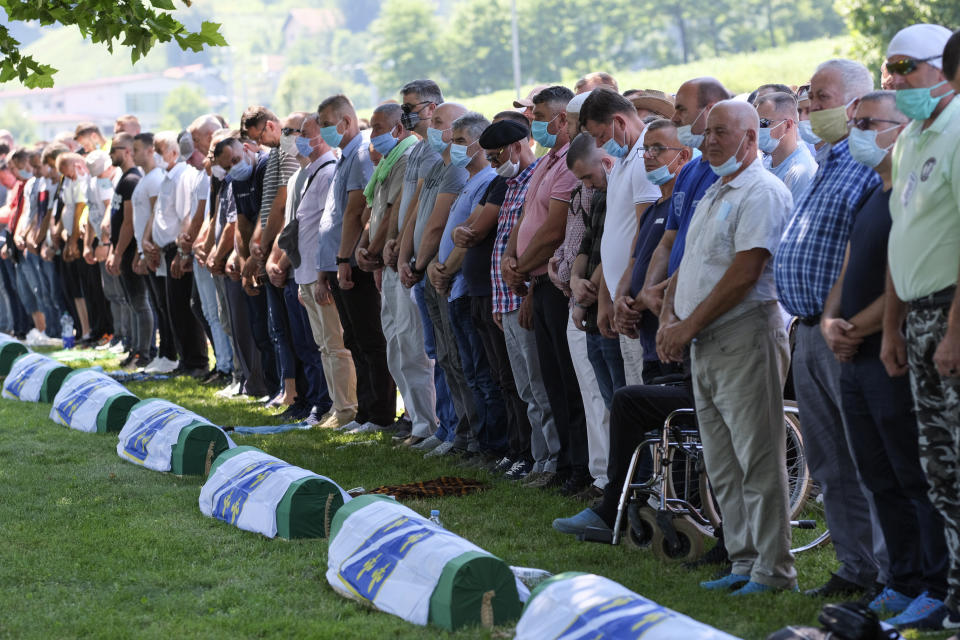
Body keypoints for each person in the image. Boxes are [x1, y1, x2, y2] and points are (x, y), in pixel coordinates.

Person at [821, 88, 949, 630]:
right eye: (853, 122)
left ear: (902, 128)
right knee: (877, 474)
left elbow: (906, 277)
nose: (856, 132)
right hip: (852, 356)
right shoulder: (873, 193)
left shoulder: (913, 197)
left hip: (888, 354)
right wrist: (831, 321)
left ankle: (934, 583)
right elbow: (849, 267)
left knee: (912, 474)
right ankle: (899, 579)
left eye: (867, 122)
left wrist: (862, 327)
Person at [659, 99, 795, 595]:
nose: (710, 140)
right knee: (722, 461)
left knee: (757, 460)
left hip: (744, 334)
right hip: (703, 337)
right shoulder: (716, 189)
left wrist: (686, 323)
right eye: (707, 131)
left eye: (722, 132)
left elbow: (746, 271)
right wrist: (669, 316)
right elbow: (692, 261)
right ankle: (742, 562)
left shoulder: (762, 191)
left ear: (751, 138)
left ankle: (774, 571)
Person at [774, 58, 884, 598]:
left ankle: (890, 571)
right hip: (809, 330)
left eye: (821, 97)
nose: (810, 107)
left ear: (857, 104)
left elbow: (860, 252)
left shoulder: (867, 165)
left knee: (867, 458)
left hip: (847, 333)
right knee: (828, 459)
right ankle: (855, 567)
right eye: (808, 97)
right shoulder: (828, 162)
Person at [882, 24, 960, 631]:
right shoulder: (912, 136)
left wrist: (954, 330)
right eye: (890, 70)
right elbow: (899, 239)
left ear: (942, 66)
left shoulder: (959, 129)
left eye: (907, 67)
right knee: (940, 470)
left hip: (951, 314)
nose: (896, 81)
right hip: (916, 319)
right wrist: (891, 328)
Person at [505, 85, 589, 495]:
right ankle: (565, 463)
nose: (533, 123)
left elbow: (555, 228)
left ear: (560, 120)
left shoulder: (570, 163)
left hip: (556, 285)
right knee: (552, 379)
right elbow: (525, 216)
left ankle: (579, 467)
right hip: (538, 282)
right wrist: (510, 255)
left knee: (568, 382)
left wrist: (520, 264)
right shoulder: (547, 161)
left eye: (539, 115)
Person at [428, 111, 509, 461]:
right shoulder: (471, 181)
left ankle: (492, 445)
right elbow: (456, 231)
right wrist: (436, 265)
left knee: (484, 373)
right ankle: (475, 438)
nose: (455, 147)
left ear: (480, 142)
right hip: (456, 286)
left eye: (462, 141)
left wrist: (445, 269)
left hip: (466, 286)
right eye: (455, 140)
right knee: (468, 370)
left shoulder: (488, 180)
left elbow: (472, 234)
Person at [478, 115, 555, 480]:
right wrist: (498, 303)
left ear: (517, 146)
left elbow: (539, 242)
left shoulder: (534, 180)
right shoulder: (509, 184)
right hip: (505, 304)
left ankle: (551, 461)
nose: (494, 165)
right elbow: (505, 247)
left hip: (524, 299)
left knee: (540, 389)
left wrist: (527, 297)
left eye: (496, 157)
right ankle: (539, 459)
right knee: (525, 389)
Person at [316, 94, 396, 432]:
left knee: (369, 339)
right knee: (355, 340)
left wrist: (343, 258)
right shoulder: (345, 156)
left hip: (352, 262)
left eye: (324, 124)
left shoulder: (361, 155)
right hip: (342, 261)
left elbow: (357, 212)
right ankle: (365, 411)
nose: (321, 132)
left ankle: (379, 414)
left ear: (345, 122)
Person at [356, 102, 435, 440]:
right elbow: (374, 212)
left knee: (412, 347)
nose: (372, 136)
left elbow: (395, 214)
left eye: (377, 128)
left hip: (401, 263)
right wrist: (366, 247)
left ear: (398, 129)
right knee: (397, 346)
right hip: (389, 262)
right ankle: (416, 420)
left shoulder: (408, 156)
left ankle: (427, 423)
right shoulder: (390, 162)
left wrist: (377, 249)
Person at [581, 87, 661, 386]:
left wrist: (623, 293)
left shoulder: (645, 158)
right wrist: (605, 298)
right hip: (619, 297)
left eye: (601, 136)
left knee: (641, 390)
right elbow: (610, 236)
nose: (600, 145)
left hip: (633, 300)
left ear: (619, 122)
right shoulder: (623, 161)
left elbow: (645, 234)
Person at [638, 77, 728, 320]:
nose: (675, 118)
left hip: (705, 312)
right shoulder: (689, 171)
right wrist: (648, 290)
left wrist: (668, 292)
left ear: (710, 111)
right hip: (675, 307)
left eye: (681, 109)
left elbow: (711, 253)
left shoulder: (728, 175)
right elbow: (669, 240)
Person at [149, 131, 208, 378]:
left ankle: (195, 361)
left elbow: (187, 215)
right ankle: (186, 360)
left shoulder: (183, 175)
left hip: (180, 248)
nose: (155, 155)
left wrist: (182, 252)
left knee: (185, 306)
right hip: (168, 249)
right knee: (173, 307)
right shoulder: (167, 178)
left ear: (174, 153)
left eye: (158, 150)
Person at [105, 132, 152, 369]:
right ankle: (136, 348)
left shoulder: (132, 180)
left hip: (130, 250)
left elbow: (128, 221)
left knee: (139, 302)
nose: (110, 154)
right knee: (132, 302)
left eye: (114, 149)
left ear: (126, 151)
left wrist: (119, 252)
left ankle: (144, 352)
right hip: (123, 251)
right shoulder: (123, 179)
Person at [754, 92, 818, 202]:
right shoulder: (766, 162)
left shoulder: (799, 173)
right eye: (754, 123)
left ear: (788, 125)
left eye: (763, 123)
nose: (756, 129)